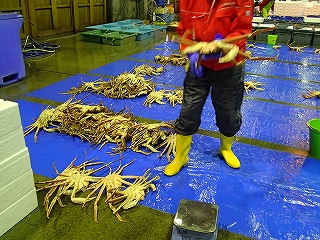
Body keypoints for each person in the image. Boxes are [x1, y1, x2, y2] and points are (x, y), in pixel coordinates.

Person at [164, 0, 253, 176]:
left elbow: (242, 30)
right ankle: (181, 157)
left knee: (229, 111)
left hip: (228, 65)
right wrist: (190, 51)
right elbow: (184, 30)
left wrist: (225, 45)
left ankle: (226, 149)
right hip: (199, 65)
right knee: (189, 110)